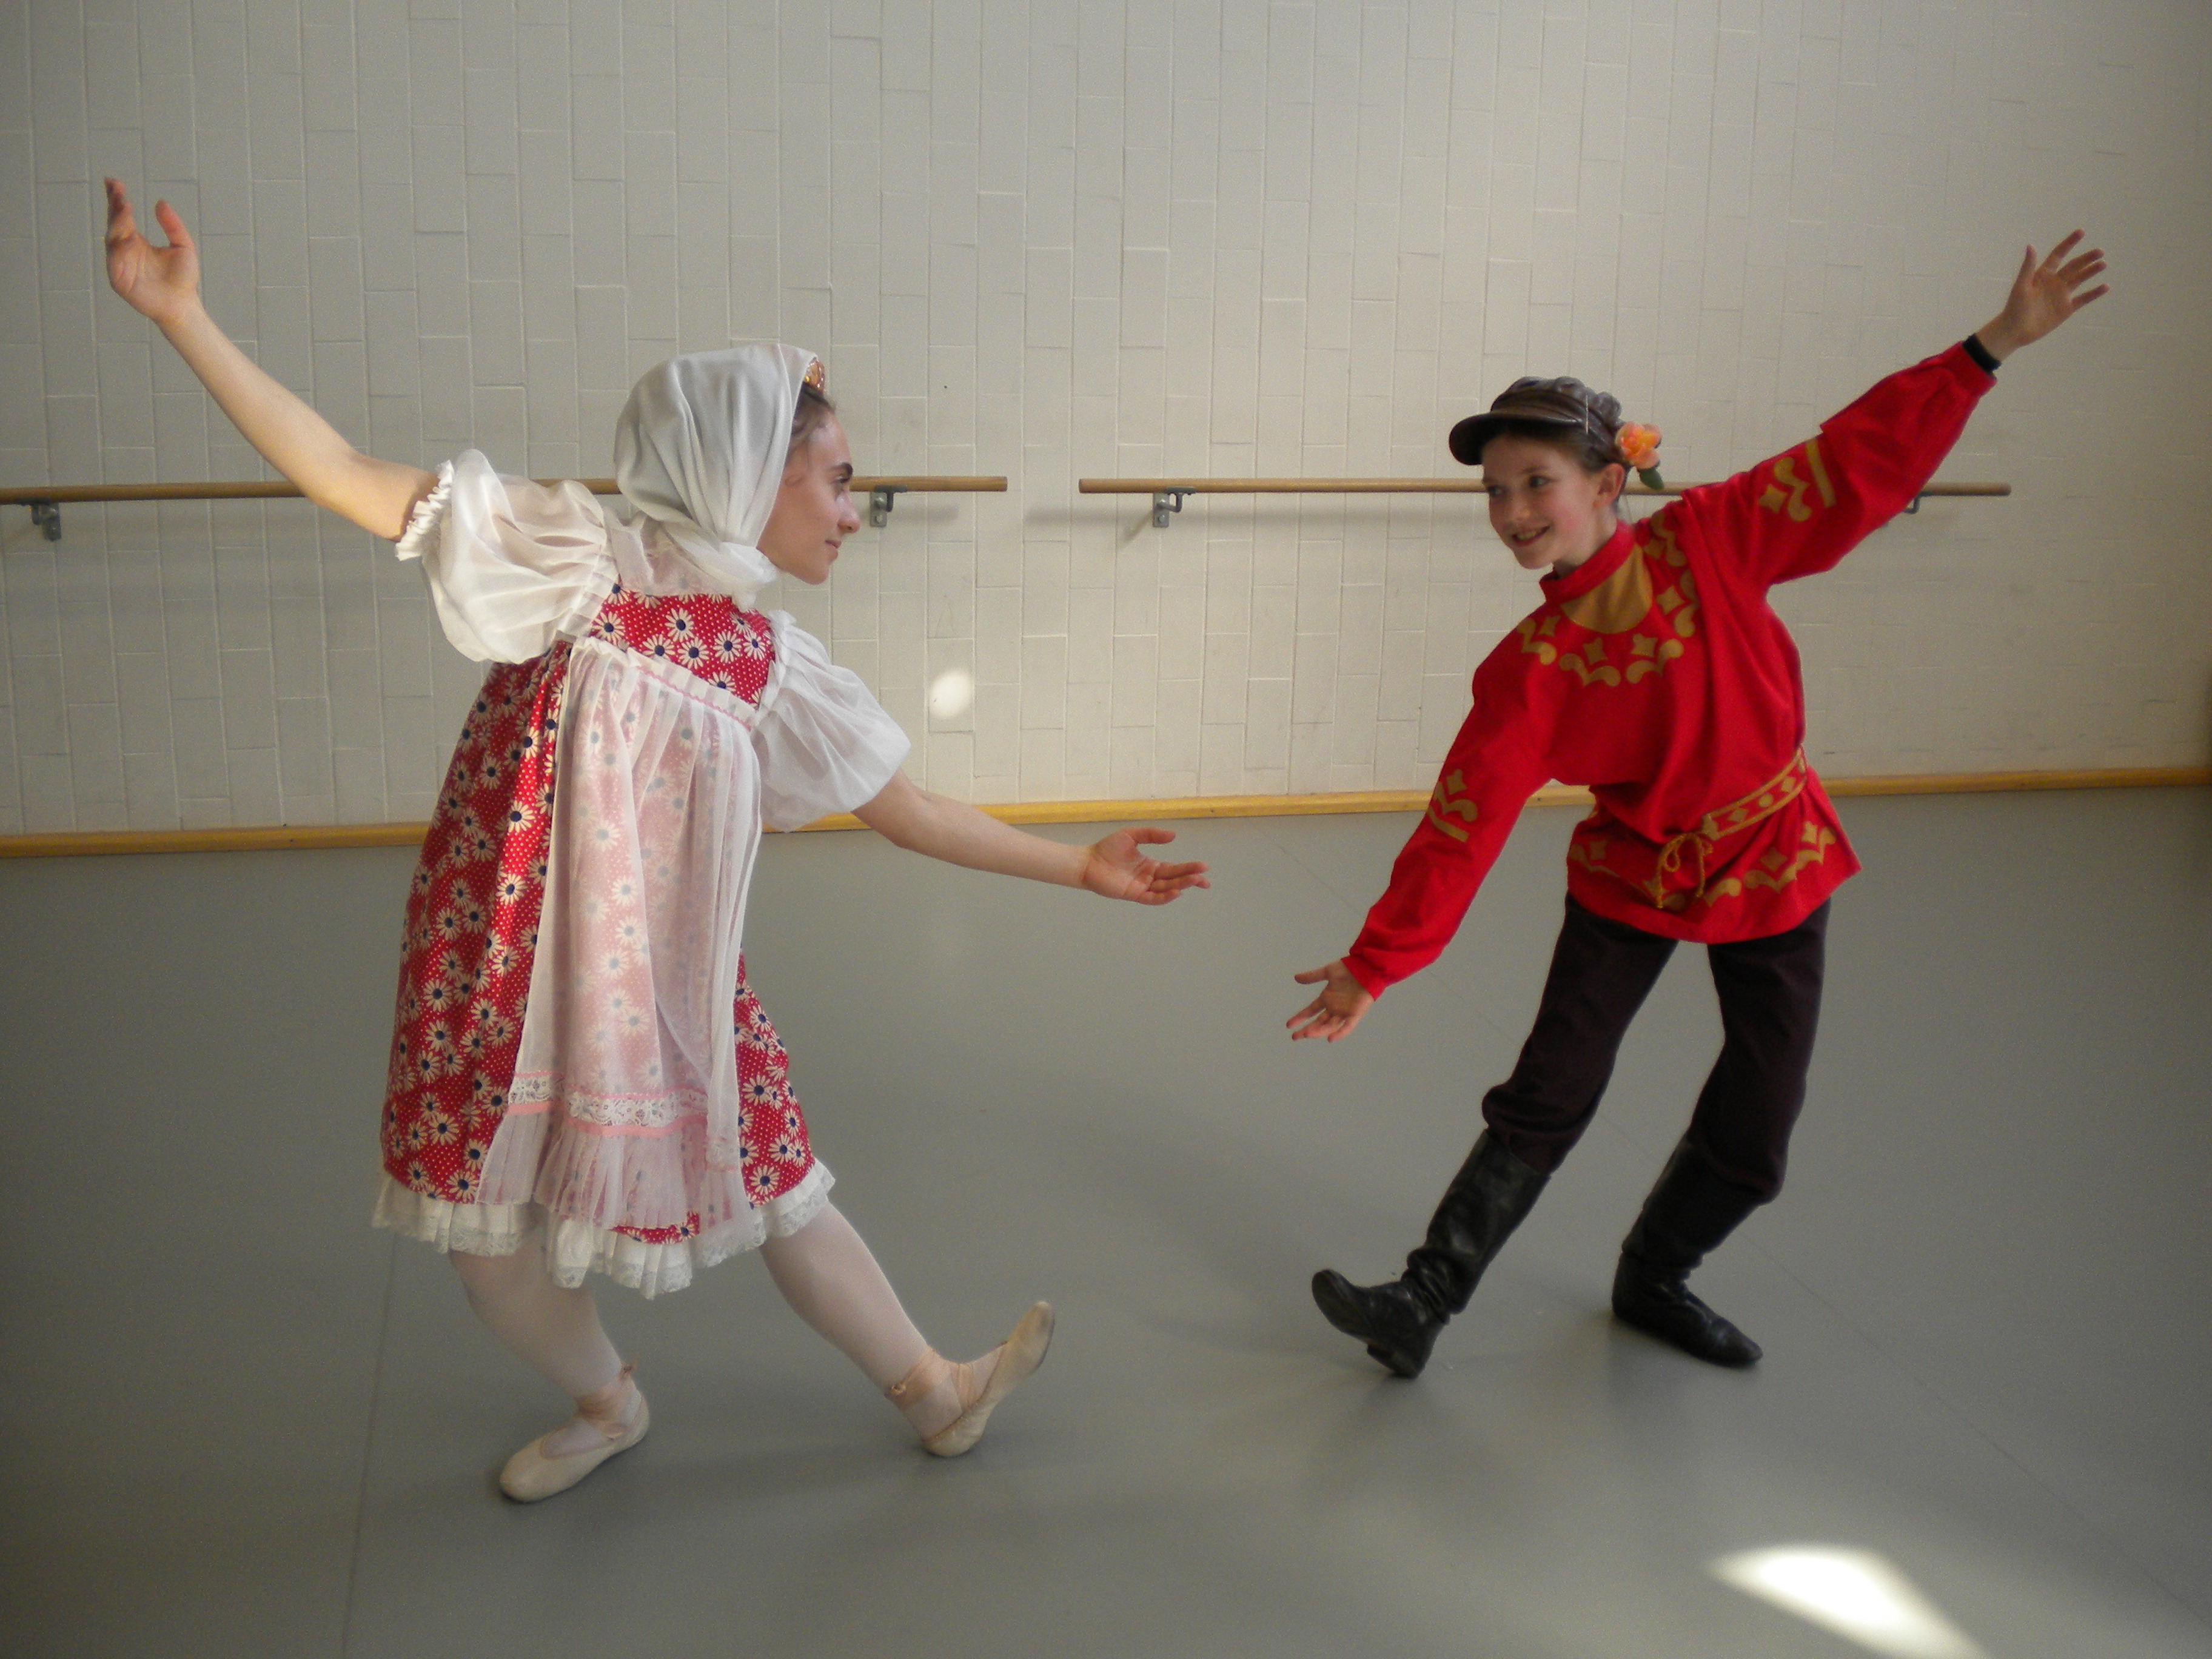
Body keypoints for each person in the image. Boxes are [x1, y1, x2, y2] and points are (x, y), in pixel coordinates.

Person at [103, 179, 1210, 1498]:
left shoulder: (771, 667)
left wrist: (1078, 865)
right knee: (484, 1245)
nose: (852, 509)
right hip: (500, 967)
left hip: (661, 987)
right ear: (751, 473)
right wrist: (182, 317)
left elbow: (910, 809)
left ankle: (937, 1392)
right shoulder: (572, 560)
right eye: (838, 480)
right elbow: (343, 474)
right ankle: (608, 1402)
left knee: (780, 1182)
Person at [1287, 232, 2108, 1378]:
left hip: (1776, 856)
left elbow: (1853, 460)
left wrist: (1991, 348)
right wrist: (1376, 963)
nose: (1513, 510)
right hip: (1633, 871)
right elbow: (1459, 831)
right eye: (1496, 491)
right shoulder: (1530, 671)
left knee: (1761, 1118)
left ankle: (1657, 1273)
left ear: (1607, 484)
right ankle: (1423, 1301)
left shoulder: (1713, 538)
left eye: (1537, 482)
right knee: (1551, 1089)